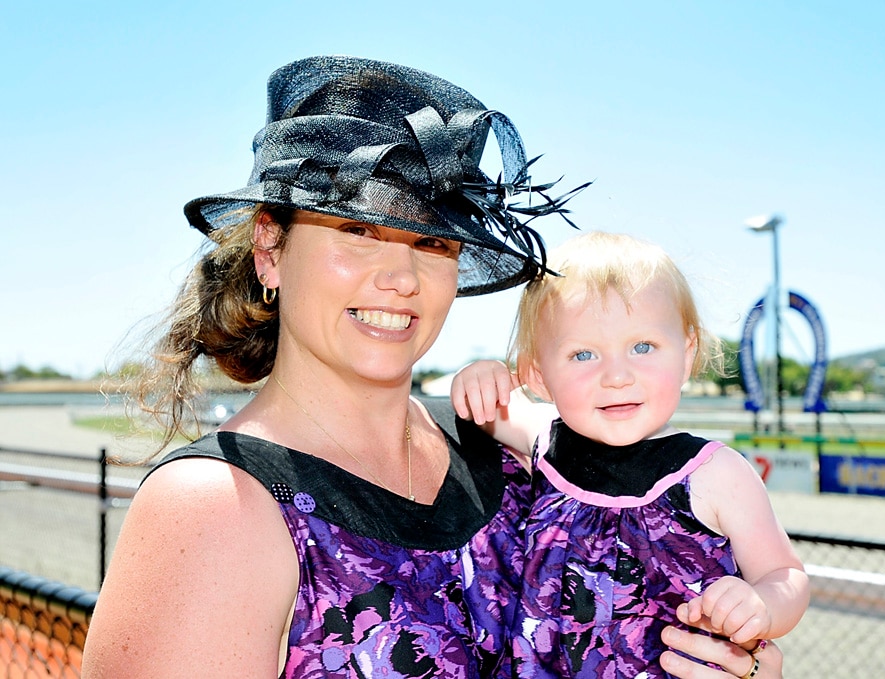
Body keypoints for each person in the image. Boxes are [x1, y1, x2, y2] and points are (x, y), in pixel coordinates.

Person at [81, 56, 786, 679]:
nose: (400, 277)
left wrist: (732, 656)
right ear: (270, 249)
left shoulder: (507, 446)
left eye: (431, 242)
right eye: (357, 230)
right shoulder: (218, 507)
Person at [452, 231, 809, 677]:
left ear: (687, 353)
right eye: (583, 354)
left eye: (643, 347)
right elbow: (485, 407)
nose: (617, 376)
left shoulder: (716, 472)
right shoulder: (547, 438)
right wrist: (478, 374)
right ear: (539, 376)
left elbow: (785, 575)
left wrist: (762, 604)